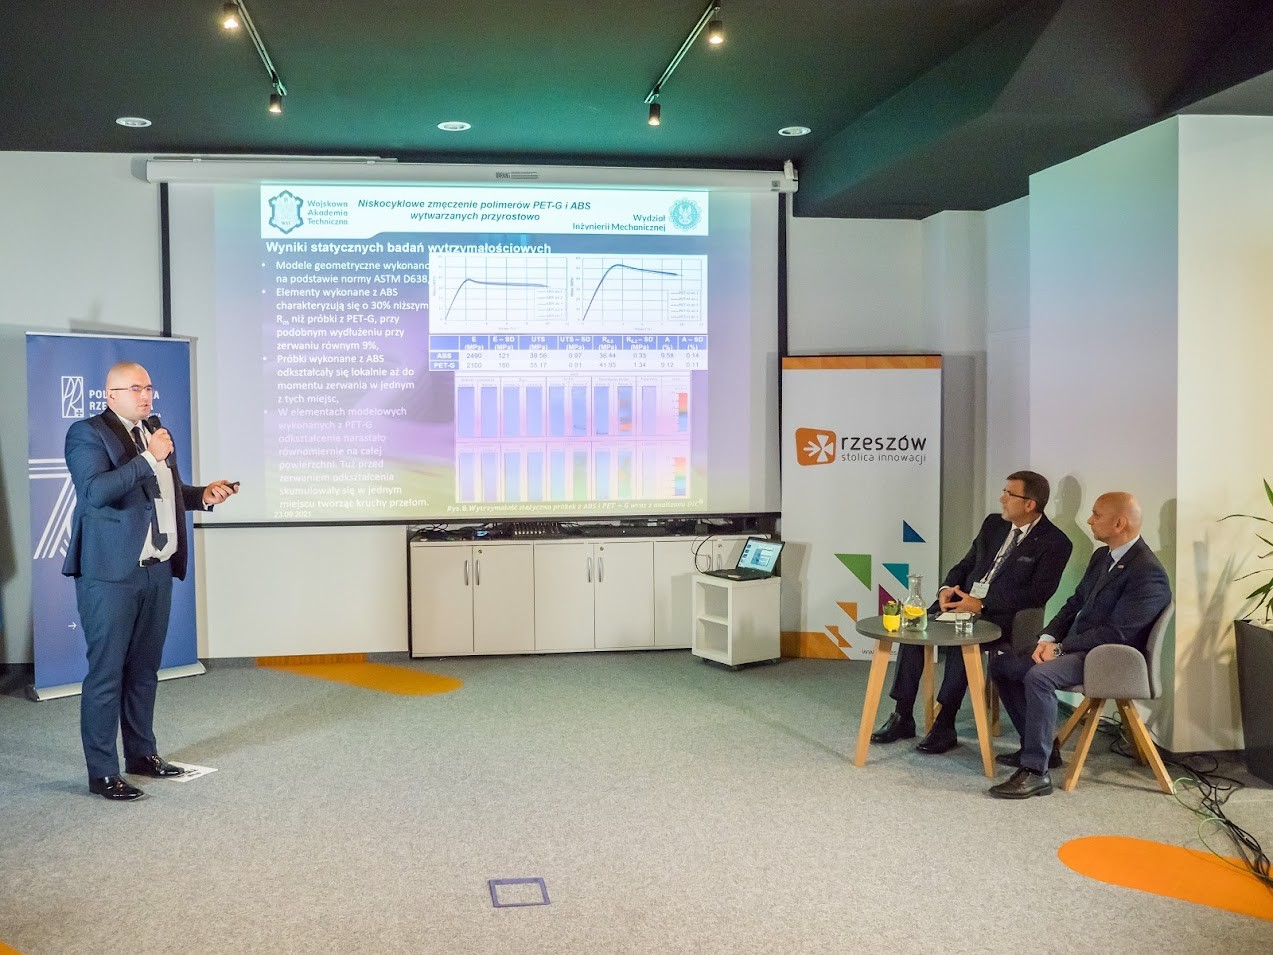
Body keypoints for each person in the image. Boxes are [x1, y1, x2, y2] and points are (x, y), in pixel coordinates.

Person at [62, 361, 238, 801]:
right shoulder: (87, 434)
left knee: (144, 671)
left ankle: (141, 755)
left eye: (149, 388)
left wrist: (203, 495)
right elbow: (96, 493)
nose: (146, 396)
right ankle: (102, 772)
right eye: (136, 389)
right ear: (111, 396)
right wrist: (147, 457)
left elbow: (165, 494)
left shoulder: (155, 433)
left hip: (157, 569)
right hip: (110, 575)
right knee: (107, 674)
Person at [870, 471, 1072, 754]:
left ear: (1029, 504)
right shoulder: (993, 524)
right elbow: (966, 564)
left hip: (1003, 615)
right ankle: (902, 714)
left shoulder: (1055, 542)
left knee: (961, 640)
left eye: (1009, 494)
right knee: (914, 626)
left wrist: (982, 604)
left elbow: (1037, 594)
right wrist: (946, 587)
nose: (1002, 498)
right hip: (963, 601)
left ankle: (945, 723)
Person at [987, 491, 1171, 799]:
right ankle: (1042, 749)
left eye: (1097, 515)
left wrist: (1060, 649)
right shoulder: (1103, 557)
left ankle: (1035, 772)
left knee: (1039, 676)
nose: (1089, 520)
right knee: (1004, 665)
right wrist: (1047, 638)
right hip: (1082, 649)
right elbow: (1075, 603)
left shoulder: (1147, 573)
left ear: (1119, 523)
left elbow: (1116, 633)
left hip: (1111, 659)